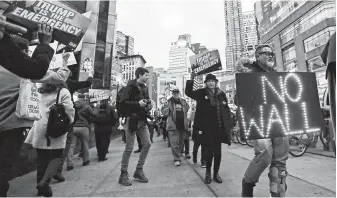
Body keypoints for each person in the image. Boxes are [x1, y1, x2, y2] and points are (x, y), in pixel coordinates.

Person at [0, 22, 56, 197]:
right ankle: (44, 183)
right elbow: (38, 70)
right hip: (11, 127)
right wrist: (44, 44)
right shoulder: (20, 74)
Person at [236, 45, 289, 197]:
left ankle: (278, 192)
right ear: (257, 56)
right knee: (265, 156)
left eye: (271, 53)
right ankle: (248, 183)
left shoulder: (277, 75)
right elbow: (240, 99)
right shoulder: (249, 74)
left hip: (279, 121)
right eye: (266, 53)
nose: (270, 55)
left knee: (280, 159)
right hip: (259, 122)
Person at [25, 82, 75, 197]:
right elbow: (69, 109)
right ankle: (45, 182)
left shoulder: (40, 91)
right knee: (57, 156)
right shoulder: (63, 91)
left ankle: (40, 190)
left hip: (39, 126)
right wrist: (69, 121)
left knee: (41, 160)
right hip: (55, 126)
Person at [185, 73, 232, 184]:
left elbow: (226, 110)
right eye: (209, 81)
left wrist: (229, 125)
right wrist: (192, 79)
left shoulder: (222, 94)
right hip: (206, 129)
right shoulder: (201, 93)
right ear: (206, 83)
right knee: (208, 152)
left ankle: (216, 174)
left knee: (218, 153)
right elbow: (188, 92)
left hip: (219, 129)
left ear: (216, 82)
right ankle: (207, 174)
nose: (211, 83)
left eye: (213, 81)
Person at [118, 67, 152, 186]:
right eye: (146, 75)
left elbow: (145, 102)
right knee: (129, 147)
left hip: (142, 120)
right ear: (139, 75)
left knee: (147, 143)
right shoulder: (129, 87)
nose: (147, 77)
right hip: (131, 120)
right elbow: (123, 104)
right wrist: (138, 104)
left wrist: (148, 104)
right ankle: (123, 174)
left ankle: (139, 170)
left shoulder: (145, 88)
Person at [66, 93, 97, 170]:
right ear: (84, 98)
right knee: (85, 144)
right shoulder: (86, 106)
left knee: (71, 146)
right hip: (84, 127)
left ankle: (69, 164)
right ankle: (85, 160)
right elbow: (94, 114)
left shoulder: (73, 105)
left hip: (73, 127)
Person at [166, 88, 190, 166]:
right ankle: (176, 158)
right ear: (172, 94)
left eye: (177, 93)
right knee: (174, 143)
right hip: (173, 125)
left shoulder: (183, 101)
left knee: (181, 142)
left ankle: (178, 154)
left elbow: (188, 110)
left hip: (183, 125)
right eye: (174, 93)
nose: (176, 94)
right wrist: (167, 109)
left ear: (179, 93)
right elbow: (164, 112)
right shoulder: (169, 102)